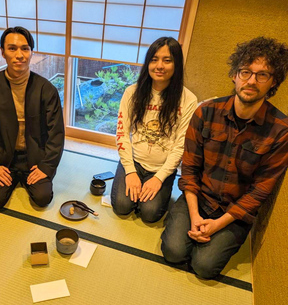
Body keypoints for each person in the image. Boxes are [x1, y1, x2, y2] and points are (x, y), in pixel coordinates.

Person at [161, 37, 288, 279]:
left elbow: (260, 191)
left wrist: (218, 224)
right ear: (234, 75)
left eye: (262, 75)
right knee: (173, 252)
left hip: (235, 212)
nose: (251, 80)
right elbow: (189, 168)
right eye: (246, 72)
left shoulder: (280, 131)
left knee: (204, 267)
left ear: (273, 83)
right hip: (197, 198)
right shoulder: (206, 112)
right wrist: (195, 214)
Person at [0, 26, 64, 209]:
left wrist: (45, 167)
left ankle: (33, 178)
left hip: (35, 157)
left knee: (42, 198)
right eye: (12, 49)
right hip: (3, 158)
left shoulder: (46, 90)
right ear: (3, 53)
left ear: (31, 52)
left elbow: (56, 134)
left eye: (25, 48)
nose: (19, 55)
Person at [111, 37, 198, 223]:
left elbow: (181, 146)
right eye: (154, 59)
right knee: (122, 206)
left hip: (161, 168)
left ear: (176, 65)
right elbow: (121, 134)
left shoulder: (188, 100)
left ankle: (157, 186)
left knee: (149, 214)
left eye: (167, 60)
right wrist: (130, 171)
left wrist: (159, 178)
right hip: (134, 162)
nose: (159, 66)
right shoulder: (131, 93)